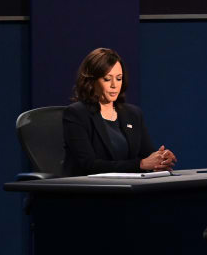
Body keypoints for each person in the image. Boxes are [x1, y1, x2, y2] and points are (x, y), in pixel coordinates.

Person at [62, 47, 178, 176]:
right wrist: (141, 164)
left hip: (127, 188)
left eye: (118, 78)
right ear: (92, 81)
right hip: (89, 190)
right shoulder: (76, 113)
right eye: (107, 79)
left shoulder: (133, 114)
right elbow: (88, 165)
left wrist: (160, 159)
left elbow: (147, 156)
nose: (114, 85)